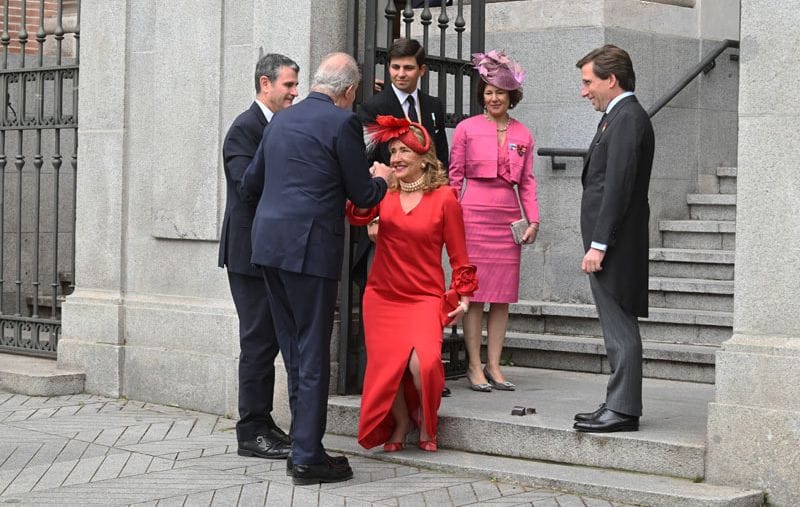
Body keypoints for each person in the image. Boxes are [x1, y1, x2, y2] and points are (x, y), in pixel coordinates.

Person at [240, 52, 392, 484]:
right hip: (309, 251)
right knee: (311, 351)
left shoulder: (280, 120)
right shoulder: (342, 122)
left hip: (268, 247)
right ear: (349, 92)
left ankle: (302, 444)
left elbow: (250, 184)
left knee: (293, 348)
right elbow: (362, 194)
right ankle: (307, 455)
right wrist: (383, 178)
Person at [347, 115, 477, 453]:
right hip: (382, 296)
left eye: (405, 150)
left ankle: (426, 419)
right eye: (392, 151)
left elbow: (459, 254)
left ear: (424, 158)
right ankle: (402, 422)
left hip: (423, 297)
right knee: (387, 368)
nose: (397, 158)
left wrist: (463, 294)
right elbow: (357, 215)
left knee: (427, 365)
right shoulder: (383, 193)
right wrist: (373, 183)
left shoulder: (445, 198)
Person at [356, 37, 453, 398]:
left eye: (408, 67)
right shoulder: (372, 107)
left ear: (421, 70)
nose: (400, 74)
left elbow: (439, 157)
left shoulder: (432, 106)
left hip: (426, 221)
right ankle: (388, 383)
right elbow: (366, 162)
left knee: (426, 297)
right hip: (389, 215)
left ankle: (424, 375)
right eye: (395, 67)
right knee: (388, 301)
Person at [218, 53, 298, 460]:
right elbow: (246, 186)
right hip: (247, 255)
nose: (294, 92)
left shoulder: (279, 126)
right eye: (288, 85)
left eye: (296, 85)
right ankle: (250, 431)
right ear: (265, 84)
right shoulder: (244, 129)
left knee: (269, 341)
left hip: (274, 252)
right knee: (257, 342)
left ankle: (264, 422)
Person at [571, 45, 654, 433]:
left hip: (616, 243)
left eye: (589, 82)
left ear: (611, 79)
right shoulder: (617, 117)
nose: (584, 90)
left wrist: (599, 244)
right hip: (612, 239)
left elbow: (618, 187)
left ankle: (622, 408)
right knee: (614, 324)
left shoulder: (628, 118)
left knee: (620, 324)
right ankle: (617, 401)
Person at [449, 50, 539, 393]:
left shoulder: (524, 133)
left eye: (499, 92)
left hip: (507, 219)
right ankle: (473, 366)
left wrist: (533, 219)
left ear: (511, 96)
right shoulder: (466, 129)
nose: (493, 98)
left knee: (501, 297)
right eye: (487, 91)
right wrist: (449, 219)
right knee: (474, 294)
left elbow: (528, 182)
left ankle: (494, 365)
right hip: (472, 216)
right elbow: (455, 178)